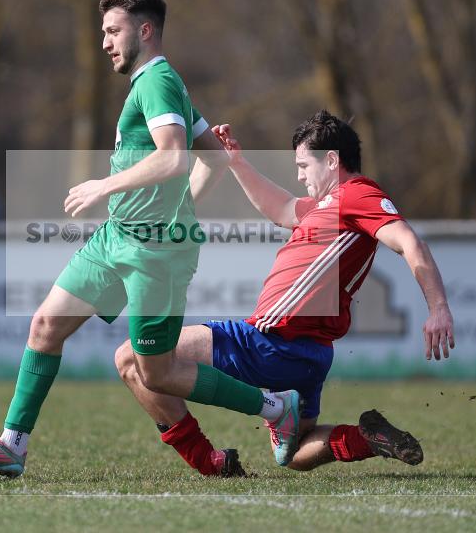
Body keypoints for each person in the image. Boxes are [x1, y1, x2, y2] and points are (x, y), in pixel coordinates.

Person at [0, 0, 303, 478]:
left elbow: (174, 156)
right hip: (117, 237)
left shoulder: (157, 81)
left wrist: (103, 185)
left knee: (156, 372)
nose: (106, 42)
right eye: (103, 32)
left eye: (113, 31)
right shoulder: (155, 83)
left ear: (145, 29)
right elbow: (214, 157)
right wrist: (177, 209)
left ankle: (276, 408)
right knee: (46, 327)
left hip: (153, 254)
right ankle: (13, 445)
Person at [114, 110, 456, 475]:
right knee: (293, 456)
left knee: (132, 358)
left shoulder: (359, 195)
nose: (299, 175)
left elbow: (407, 241)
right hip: (309, 354)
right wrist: (237, 163)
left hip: (271, 341)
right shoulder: (328, 204)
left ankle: (215, 455)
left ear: (332, 160)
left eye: (304, 165)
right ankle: (364, 439)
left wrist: (438, 307)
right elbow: (280, 209)